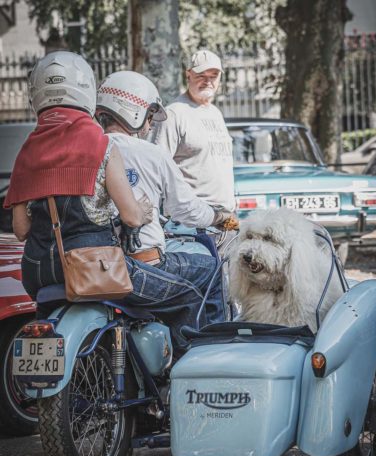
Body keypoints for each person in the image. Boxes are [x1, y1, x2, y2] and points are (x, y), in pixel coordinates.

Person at [5, 51, 218, 350]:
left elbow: (22, 229)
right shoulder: (99, 145)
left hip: (38, 274)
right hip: (95, 269)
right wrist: (143, 212)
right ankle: (191, 377)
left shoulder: (26, 152)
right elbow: (131, 217)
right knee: (189, 294)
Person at [96, 70, 235, 325]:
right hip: (143, 265)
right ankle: (208, 351)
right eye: (149, 116)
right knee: (211, 270)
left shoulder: (88, 149)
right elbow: (185, 208)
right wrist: (219, 216)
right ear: (134, 111)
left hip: (96, 266)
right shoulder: (149, 153)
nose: (149, 126)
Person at [149, 49, 235, 214]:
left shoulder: (215, 112)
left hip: (224, 216)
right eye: (201, 75)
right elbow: (155, 167)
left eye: (213, 76)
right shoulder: (174, 114)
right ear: (188, 75)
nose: (208, 81)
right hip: (192, 220)